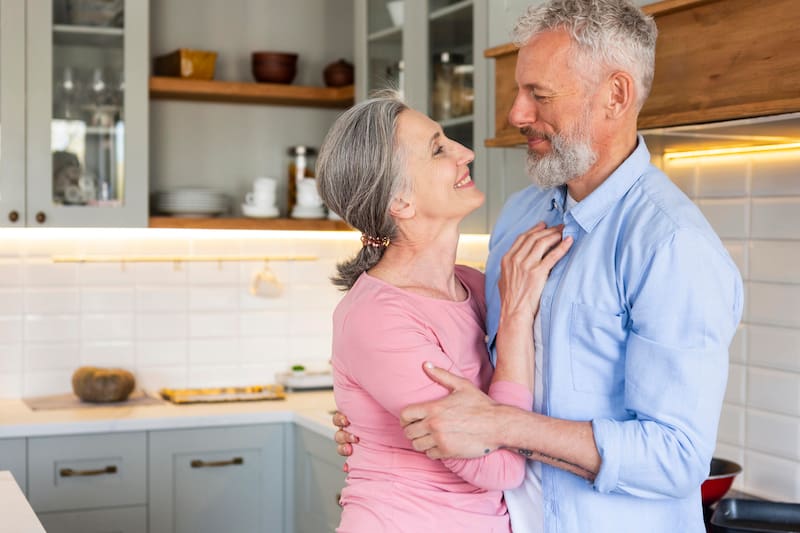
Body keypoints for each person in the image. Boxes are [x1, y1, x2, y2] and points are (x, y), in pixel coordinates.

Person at [333, 1, 745, 532]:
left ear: (614, 96)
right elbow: (461, 364)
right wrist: (376, 420)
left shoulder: (672, 247)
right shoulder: (520, 215)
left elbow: (677, 457)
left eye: (539, 95)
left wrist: (502, 425)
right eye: (517, 91)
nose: (516, 115)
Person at [316, 90, 573, 532]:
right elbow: (502, 469)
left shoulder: (473, 285)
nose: (465, 153)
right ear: (400, 203)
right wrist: (514, 319)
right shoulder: (375, 318)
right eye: (438, 149)